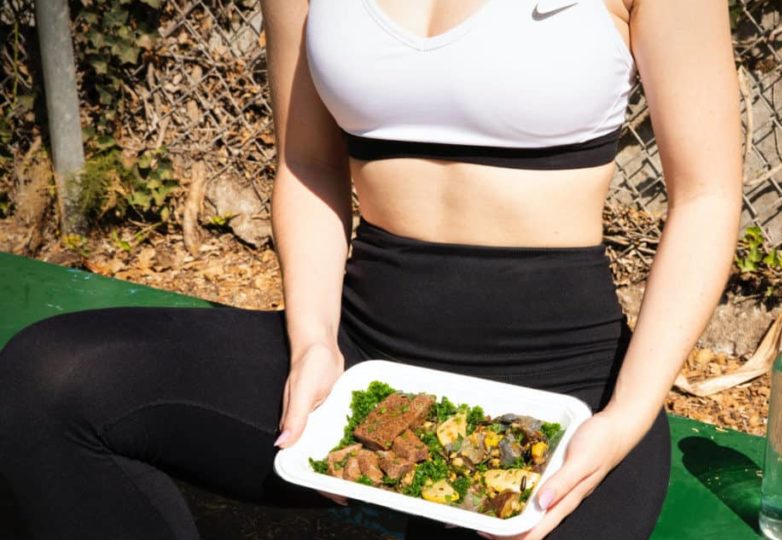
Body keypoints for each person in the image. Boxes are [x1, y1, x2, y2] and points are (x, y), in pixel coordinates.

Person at [0, 0, 742, 538]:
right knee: (46, 382)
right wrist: (314, 343)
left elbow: (707, 196)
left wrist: (625, 416)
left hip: (560, 391)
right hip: (361, 360)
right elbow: (309, 164)